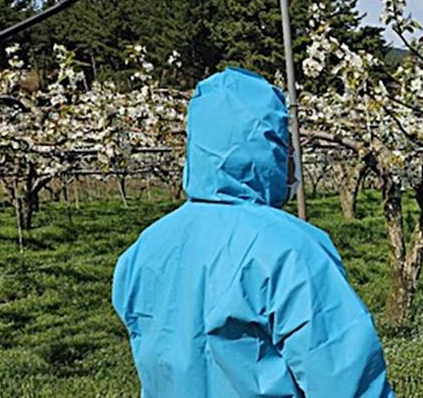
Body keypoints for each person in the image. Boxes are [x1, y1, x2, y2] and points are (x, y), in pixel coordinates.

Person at [112, 68, 394, 397]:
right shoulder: (290, 250)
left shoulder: (145, 247)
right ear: (269, 147)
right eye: (286, 145)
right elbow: (343, 377)